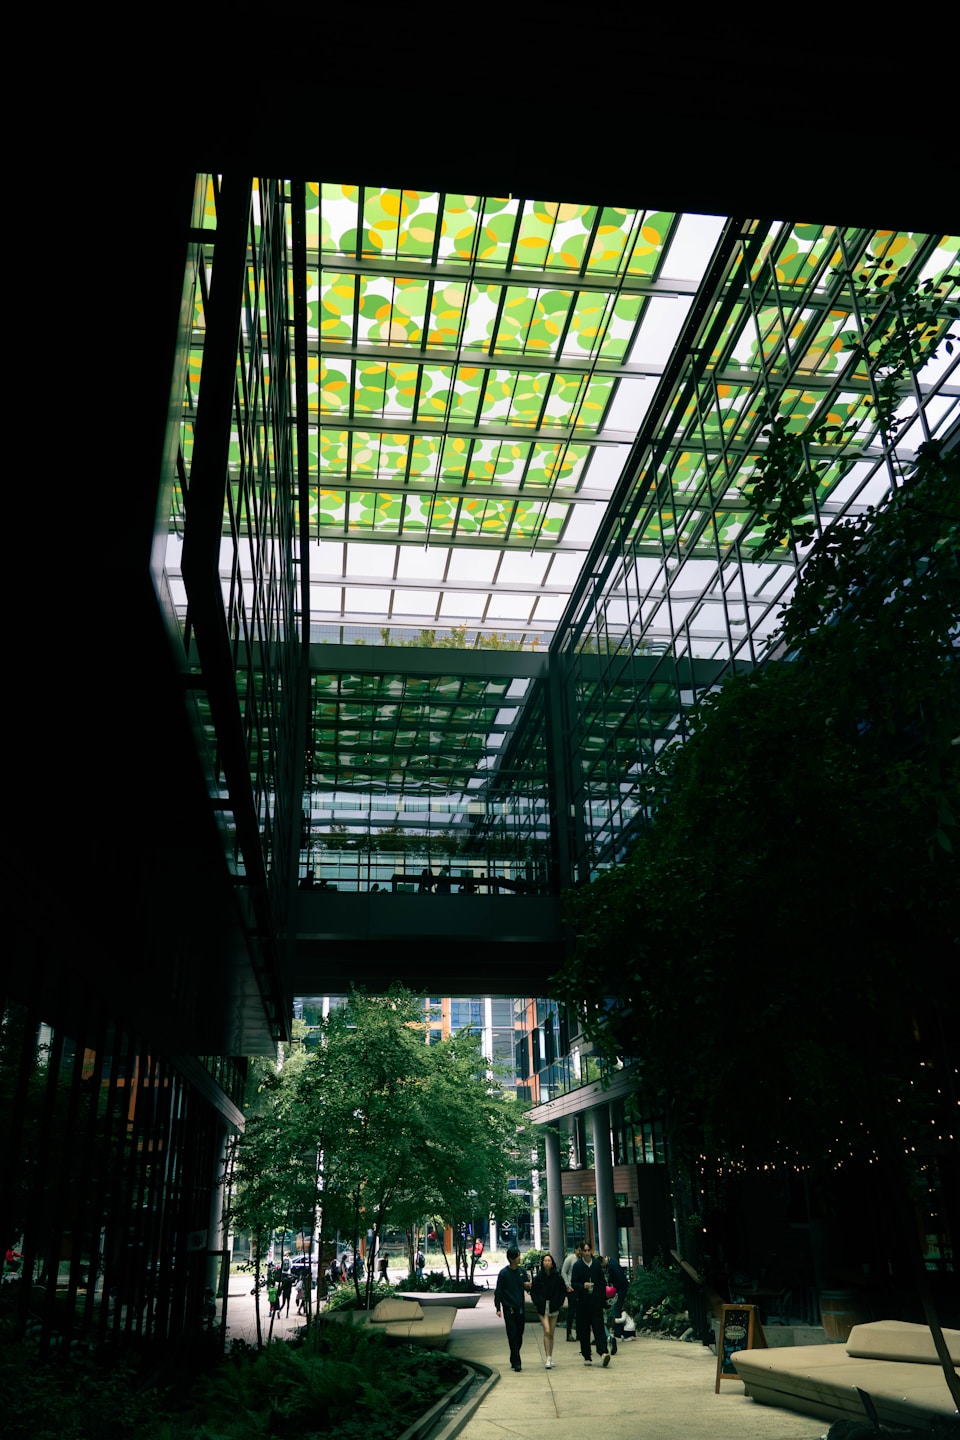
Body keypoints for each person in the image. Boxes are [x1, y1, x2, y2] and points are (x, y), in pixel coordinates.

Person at [571, 1240, 611, 1366]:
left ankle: (603, 1352)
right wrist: (583, 1285)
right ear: (581, 1252)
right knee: (584, 1330)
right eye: (585, 1251)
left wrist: (603, 1299)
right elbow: (573, 1283)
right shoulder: (577, 1266)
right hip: (582, 1302)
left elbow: (601, 1283)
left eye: (589, 1250)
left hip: (595, 1301)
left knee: (598, 1326)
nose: (587, 1253)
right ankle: (587, 1355)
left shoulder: (596, 1265)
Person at [495, 1246, 531, 1372]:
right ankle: (517, 1362)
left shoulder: (521, 1271)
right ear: (511, 1258)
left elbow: (527, 1286)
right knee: (512, 1334)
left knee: (519, 1334)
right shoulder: (504, 1273)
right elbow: (498, 1291)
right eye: (517, 1256)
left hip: (520, 1307)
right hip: (508, 1307)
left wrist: (528, 1286)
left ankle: (513, 1356)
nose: (519, 1258)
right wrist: (497, 1307)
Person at [531, 1252, 566, 1369]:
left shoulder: (557, 1276)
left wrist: (559, 1302)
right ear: (542, 1263)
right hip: (542, 1306)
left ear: (552, 1263)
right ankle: (547, 1358)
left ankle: (550, 1357)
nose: (547, 1263)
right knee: (546, 1330)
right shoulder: (538, 1277)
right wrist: (537, 1303)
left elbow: (562, 1290)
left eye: (549, 1261)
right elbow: (533, 1292)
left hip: (554, 1305)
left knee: (551, 1333)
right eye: (545, 1261)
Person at [561, 1242, 582, 1342]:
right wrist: (567, 1285)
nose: (580, 1252)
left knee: (580, 1312)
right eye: (579, 1250)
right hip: (571, 1288)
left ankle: (579, 1333)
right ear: (575, 1250)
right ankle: (568, 1333)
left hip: (580, 1288)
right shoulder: (570, 1259)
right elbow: (563, 1272)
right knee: (571, 1311)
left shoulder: (582, 1260)